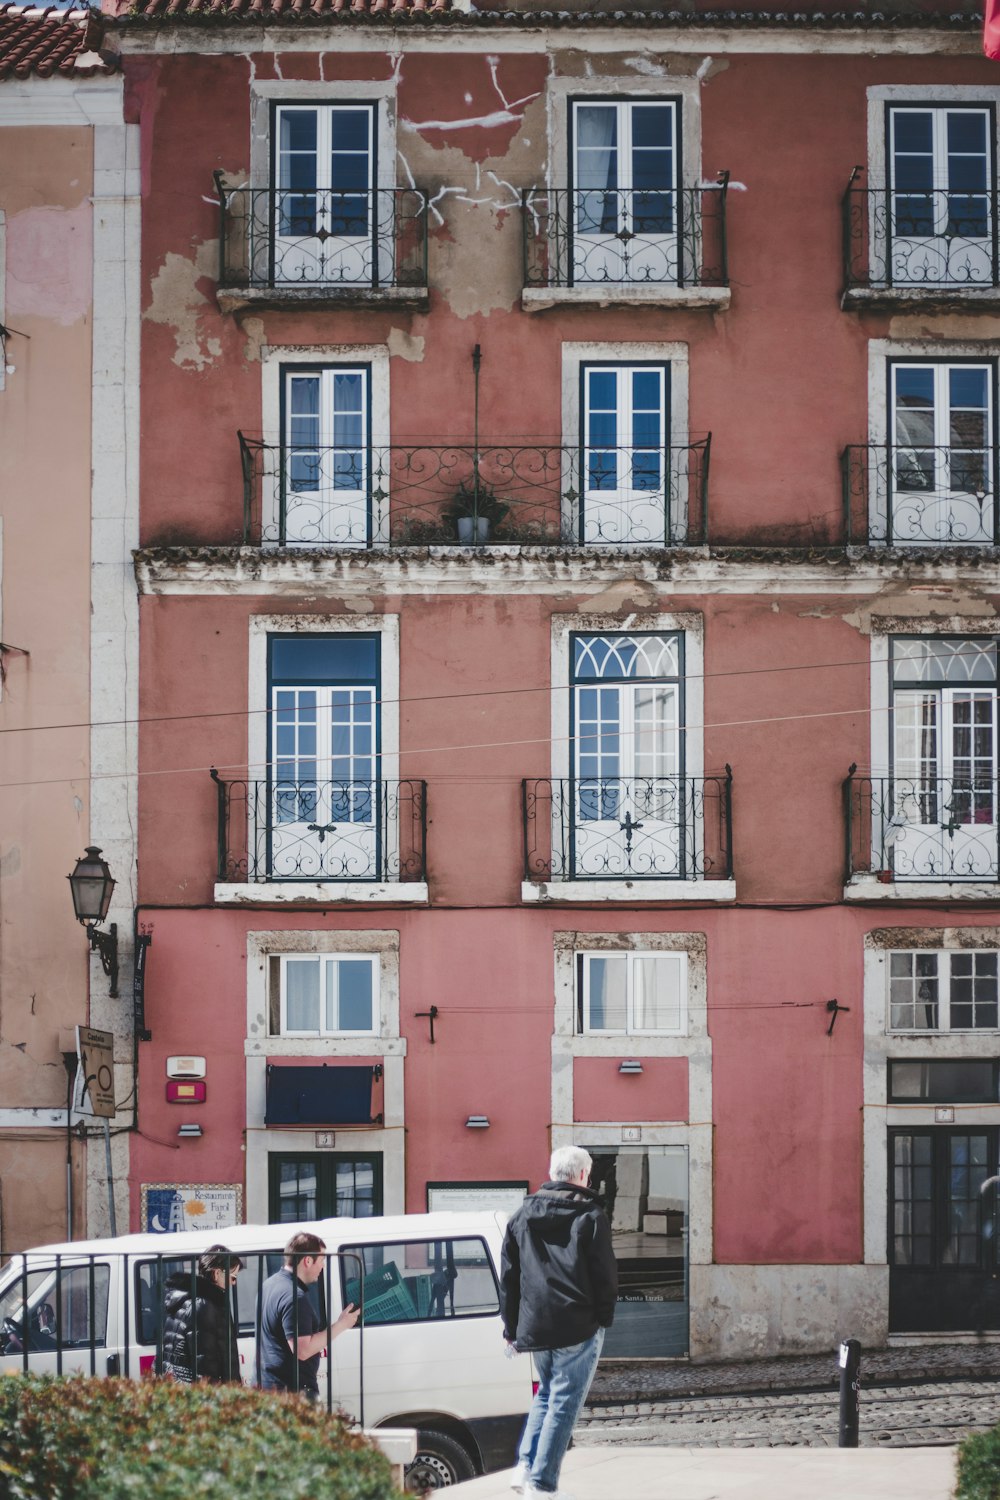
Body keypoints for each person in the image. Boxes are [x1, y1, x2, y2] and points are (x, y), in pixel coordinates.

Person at [500, 1145, 618, 1499]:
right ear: (583, 1175)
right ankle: (542, 1484)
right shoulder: (591, 1215)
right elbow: (605, 1275)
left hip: (536, 1324)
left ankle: (524, 1467)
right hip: (577, 1325)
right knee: (564, 1402)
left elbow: (509, 1277)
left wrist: (512, 1329)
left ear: (552, 1173)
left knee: (546, 1395)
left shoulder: (521, 1215)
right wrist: (604, 1318)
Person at [257, 1231, 359, 1399]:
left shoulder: (268, 1285)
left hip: (272, 1388)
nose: (323, 1266)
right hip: (294, 1394)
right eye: (322, 1260)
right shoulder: (294, 1297)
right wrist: (342, 1324)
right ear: (308, 1261)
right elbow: (303, 1351)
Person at [160, 1244, 245, 1384]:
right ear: (217, 1274)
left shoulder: (187, 1299)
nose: (234, 1283)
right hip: (202, 1393)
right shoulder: (204, 1305)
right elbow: (205, 1364)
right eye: (233, 1277)